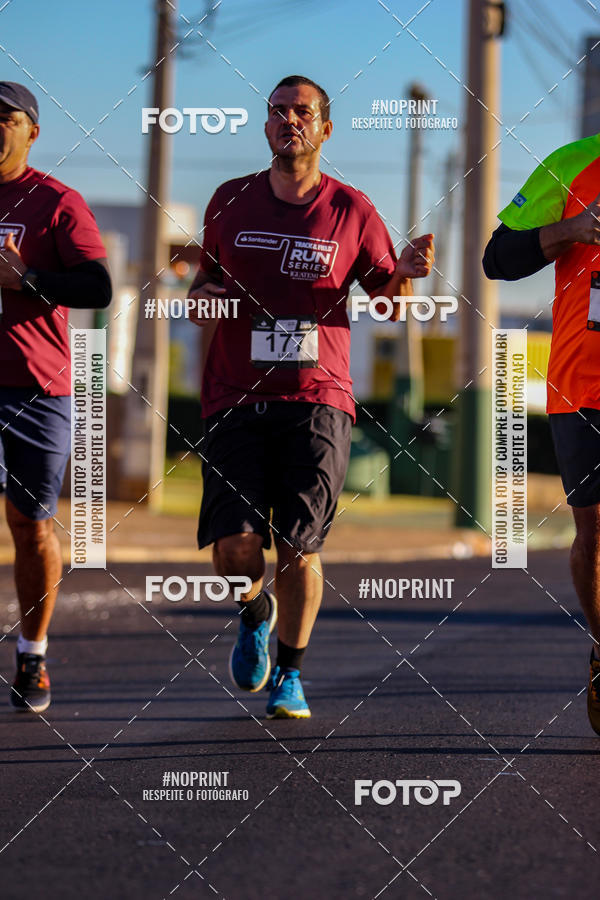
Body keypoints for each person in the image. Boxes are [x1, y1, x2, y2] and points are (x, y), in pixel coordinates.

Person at [190, 75, 434, 718]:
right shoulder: (228, 201)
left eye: (303, 112)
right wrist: (201, 300)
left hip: (318, 397)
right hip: (234, 395)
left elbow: (389, 301)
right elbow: (198, 290)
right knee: (235, 547)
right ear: (265, 126)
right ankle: (253, 609)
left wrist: (405, 276)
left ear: (325, 128)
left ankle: (291, 673)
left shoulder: (352, 210)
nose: (288, 120)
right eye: (278, 111)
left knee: (301, 544)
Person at [482, 132, 600, 735]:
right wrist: (571, 230)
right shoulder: (572, 163)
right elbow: (496, 258)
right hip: (584, 386)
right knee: (597, 535)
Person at [0, 81, 111, 713]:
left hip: (35, 387)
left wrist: (30, 279)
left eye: (6, 119)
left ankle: (33, 654)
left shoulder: (56, 202)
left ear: (31, 132)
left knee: (30, 524)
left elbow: (97, 286)